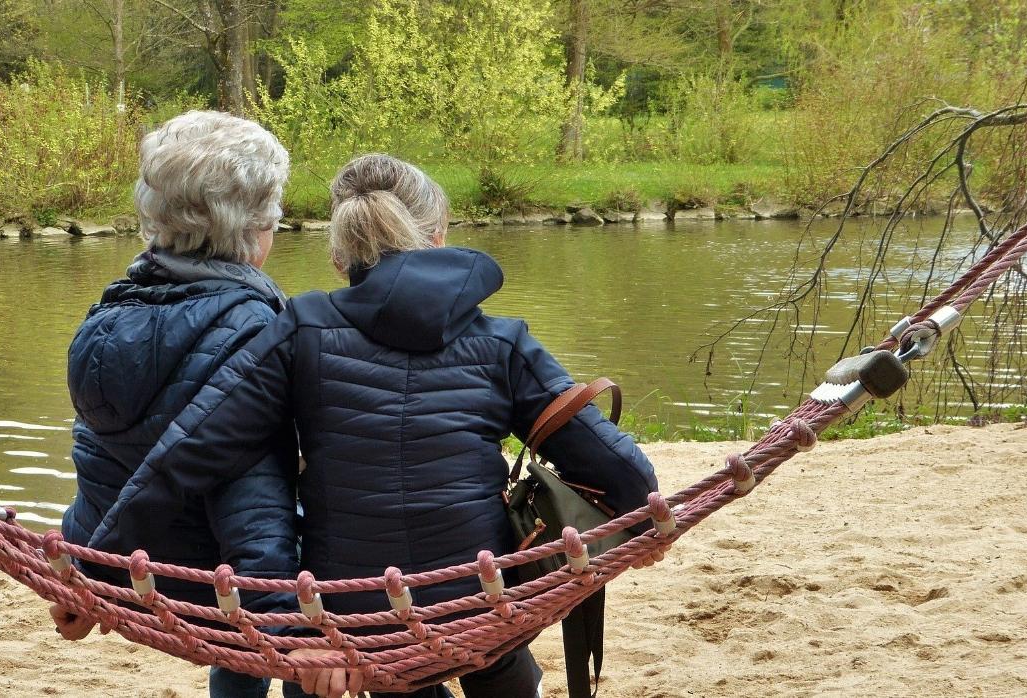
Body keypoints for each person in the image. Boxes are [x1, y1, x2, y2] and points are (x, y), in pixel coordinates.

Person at [90, 154, 662, 698]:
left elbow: (189, 452)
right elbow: (615, 466)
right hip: (478, 606)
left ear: (341, 257)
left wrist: (94, 569)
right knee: (491, 643)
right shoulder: (503, 341)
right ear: (439, 237)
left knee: (354, 659)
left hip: (349, 617)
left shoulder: (300, 328)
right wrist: (643, 518)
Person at [53, 110, 299, 698]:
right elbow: (254, 511)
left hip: (122, 566)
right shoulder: (256, 333)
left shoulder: (105, 318)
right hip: (212, 584)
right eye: (274, 217)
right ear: (254, 230)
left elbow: (101, 460)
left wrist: (86, 572)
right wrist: (289, 635)